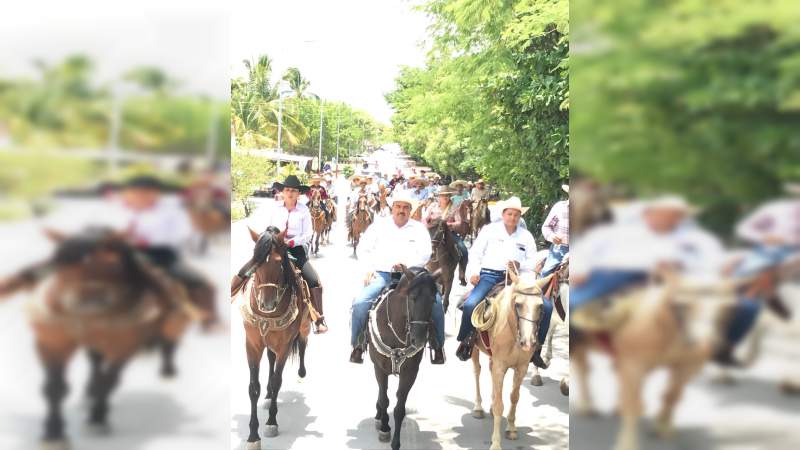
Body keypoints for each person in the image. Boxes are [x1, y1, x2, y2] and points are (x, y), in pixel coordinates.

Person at [569, 196, 725, 314]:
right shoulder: (616, 233)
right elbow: (583, 252)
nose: (671, 219)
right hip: (614, 276)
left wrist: (682, 264)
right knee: (573, 304)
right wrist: (579, 271)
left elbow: (712, 261)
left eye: (676, 216)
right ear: (647, 214)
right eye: (664, 214)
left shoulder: (693, 239)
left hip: (672, 280)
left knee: (735, 308)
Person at [349, 192, 446, 364]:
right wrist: (368, 268)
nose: (401, 210)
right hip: (383, 274)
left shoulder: (418, 229)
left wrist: (407, 266)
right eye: (398, 207)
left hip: (412, 277)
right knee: (360, 303)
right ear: (392, 208)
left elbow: (425, 253)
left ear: (410, 210)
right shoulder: (378, 226)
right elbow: (363, 249)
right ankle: (358, 344)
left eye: (405, 207)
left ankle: (437, 346)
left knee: (436, 304)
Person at [714, 184, 800, 365]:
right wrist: (764, 237)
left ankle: (761, 289)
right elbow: (744, 228)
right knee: (762, 266)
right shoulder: (776, 209)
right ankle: (760, 289)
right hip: (769, 251)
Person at [455, 197, 539, 361]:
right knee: (471, 304)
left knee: (544, 307)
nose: (513, 218)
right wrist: (473, 272)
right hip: (489, 276)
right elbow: (476, 253)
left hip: (516, 279)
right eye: (510, 214)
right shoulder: (489, 230)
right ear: (503, 214)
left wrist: (520, 265)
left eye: (516, 215)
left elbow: (533, 260)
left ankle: (536, 348)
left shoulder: (526, 236)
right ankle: (466, 340)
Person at [254, 175, 328, 333]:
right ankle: (234, 292)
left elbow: (308, 234)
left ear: (298, 194)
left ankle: (319, 318)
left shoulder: (304, 210)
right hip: (274, 247)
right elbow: (266, 227)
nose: (290, 193)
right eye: (287, 190)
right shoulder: (274, 208)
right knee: (252, 267)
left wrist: (292, 242)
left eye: (294, 191)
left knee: (314, 280)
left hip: (295, 248)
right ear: (282, 192)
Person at [530, 184, 570, 367]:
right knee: (545, 277)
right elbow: (546, 227)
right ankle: (535, 315)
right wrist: (552, 237)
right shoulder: (560, 207)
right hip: (559, 251)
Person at [422, 187, 469, 285]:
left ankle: (462, 274)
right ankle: (419, 268)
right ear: (439, 196)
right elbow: (424, 220)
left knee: (463, 249)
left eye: (447, 195)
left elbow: (459, 222)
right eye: (443, 195)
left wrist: (448, 225)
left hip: (449, 233)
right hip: (433, 233)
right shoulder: (432, 206)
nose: (445, 197)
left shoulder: (455, 207)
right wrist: (430, 222)